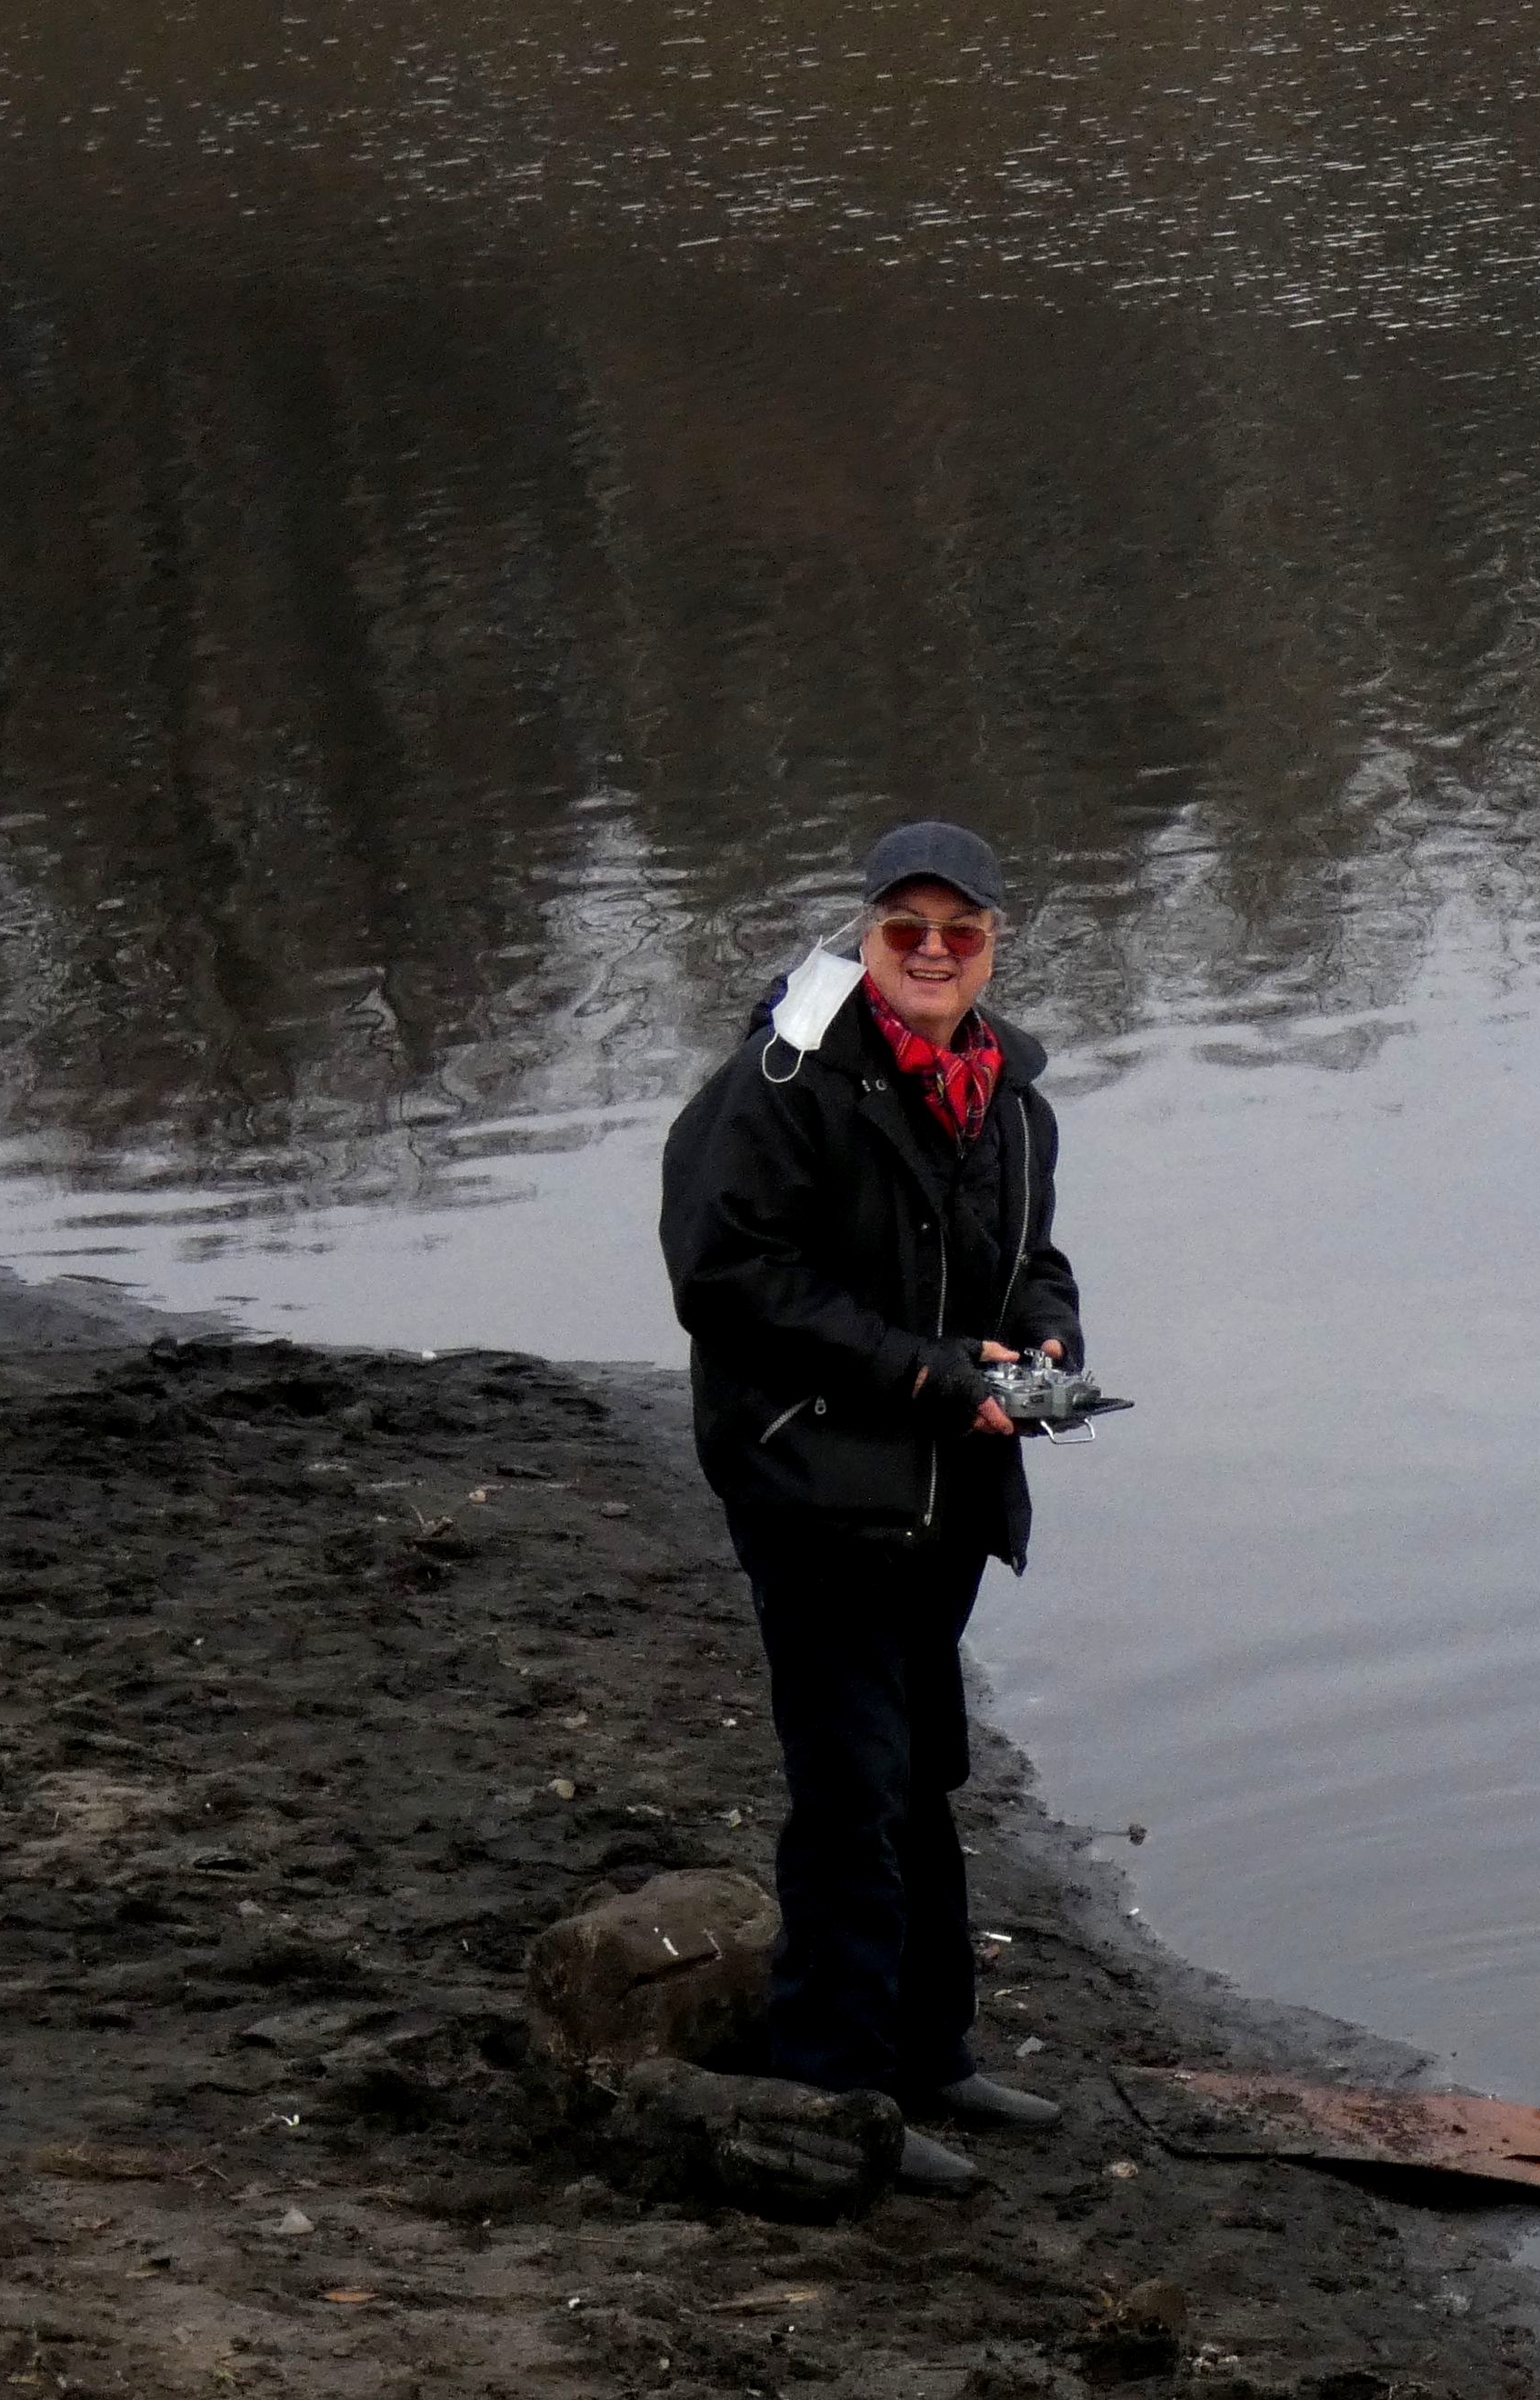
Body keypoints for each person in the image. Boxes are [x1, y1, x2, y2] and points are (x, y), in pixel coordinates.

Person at [657, 820, 1086, 2195]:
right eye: (908, 929)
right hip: (811, 1482)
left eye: (960, 932)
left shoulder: (1012, 1099)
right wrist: (927, 1373)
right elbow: (727, 1280)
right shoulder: (779, 1081)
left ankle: (931, 2053)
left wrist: (1045, 1345)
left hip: (946, 1487)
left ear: (994, 945)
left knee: (925, 1769)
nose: (934, 953)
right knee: (849, 1787)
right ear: (866, 935)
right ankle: (833, 2089)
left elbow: (1031, 1263)